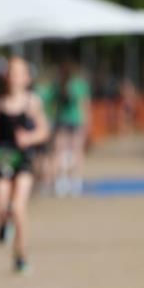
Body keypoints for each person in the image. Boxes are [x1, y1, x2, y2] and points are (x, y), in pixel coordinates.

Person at [0, 56, 50, 273]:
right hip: (3, 156)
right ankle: (3, 223)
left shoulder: (32, 102)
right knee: (2, 204)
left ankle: (20, 254)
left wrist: (29, 138)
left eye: (18, 73)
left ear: (27, 78)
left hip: (24, 158)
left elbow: (44, 131)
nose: (14, 77)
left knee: (18, 206)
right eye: (10, 72)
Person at [51, 59, 90, 197]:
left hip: (65, 121)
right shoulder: (76, 85)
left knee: (61, 151)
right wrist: (86, 123)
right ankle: (73, 181)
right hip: (73, 121)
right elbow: (84, 105)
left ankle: (64, 181)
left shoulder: (61, 84)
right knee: (75, 151)